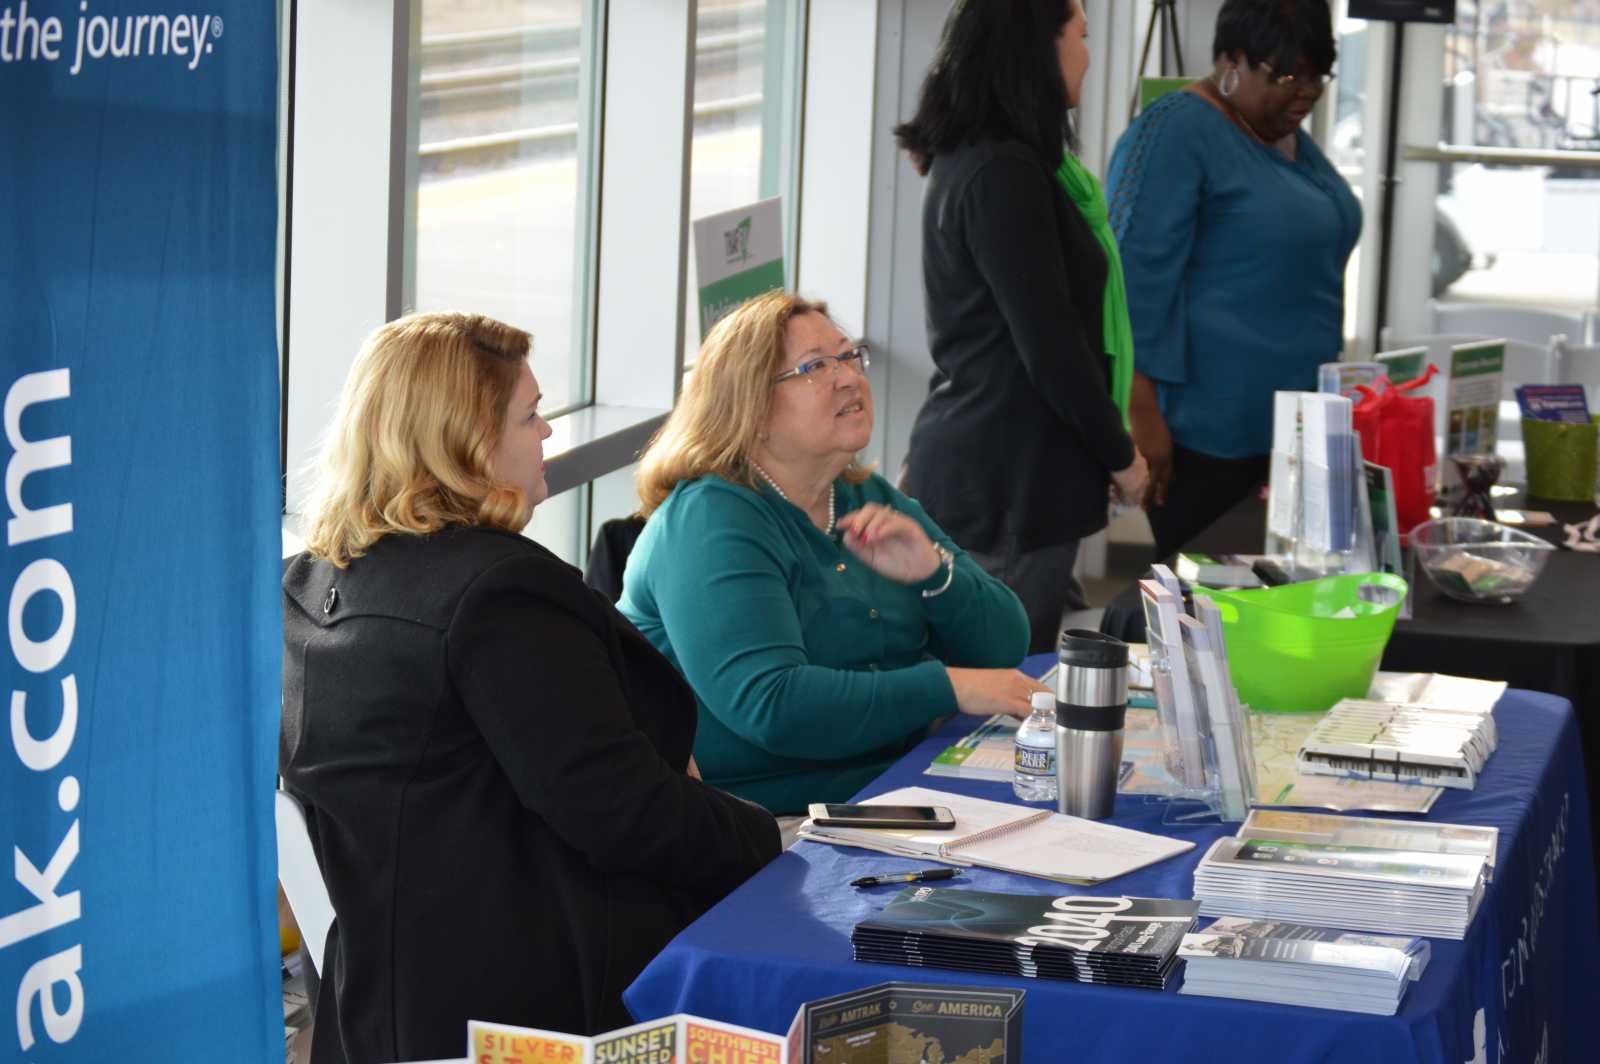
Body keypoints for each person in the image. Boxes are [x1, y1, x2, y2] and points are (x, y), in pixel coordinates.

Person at [281, 312, 779, 1063]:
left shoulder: (310, 587)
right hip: (544, 1010)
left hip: (381, 1004)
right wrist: (770, 839)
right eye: (531, 415)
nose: (547, 434)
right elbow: (621, 810)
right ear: (464, 442)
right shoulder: (498, 596)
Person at [618, 291, 1042, 816]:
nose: (848, 377)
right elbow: (774, 704)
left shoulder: (862, 492)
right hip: (763, 824)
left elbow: (1005, 645)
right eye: (815, 366)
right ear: (749, 404)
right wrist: (947, 687)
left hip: (892, 793)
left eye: (848, 356)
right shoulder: (712, 518)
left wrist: (936, 575)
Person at [893, 0, 1148, 655]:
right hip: (1005, 483)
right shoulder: (1002, 172)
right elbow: (1052, 346)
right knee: (991, 707)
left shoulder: (995, 162)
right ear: (1039, 48)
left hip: (1006, 473)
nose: (1089, 55)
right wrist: (1120, 454)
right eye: (1082, 37)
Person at [1107, 0, 1361, 560]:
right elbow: (1123, 283)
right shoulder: (1177, 131)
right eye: (1288, 75)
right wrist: (1139, 416)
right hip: (1203, 437)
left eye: (1318, 74)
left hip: (1288, 435)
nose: (1307, 91)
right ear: (1230, 61)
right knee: (1217, 614)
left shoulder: (1281, 134)